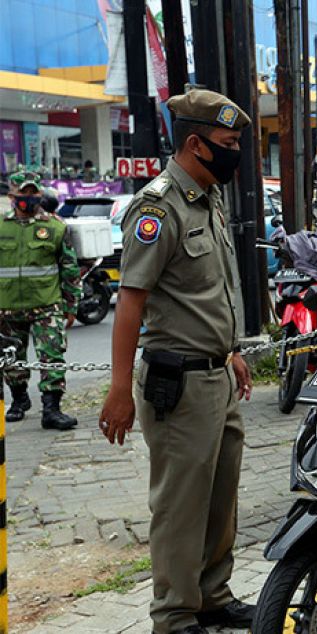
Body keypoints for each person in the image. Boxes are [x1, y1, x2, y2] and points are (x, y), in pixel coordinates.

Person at [98, 88, 255, 634]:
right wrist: (119, 389)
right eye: (229, 143)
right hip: (177, 383)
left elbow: (208, 291)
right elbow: (131, 300)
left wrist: (231, 350)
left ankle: (213, 596)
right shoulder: (157, 207)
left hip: (218, 376)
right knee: (180, 506)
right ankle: (173, 614)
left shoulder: (209, 195)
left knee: (220, 500)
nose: (236, 152)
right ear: (195, 143)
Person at [0, 171, 81, 430]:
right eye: (24, 193)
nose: (29, 198)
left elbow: (69, 269)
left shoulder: (56, 227)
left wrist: (71, 306)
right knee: (12, 358)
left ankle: (52, 409)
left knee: (52, 356)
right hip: (7, 307)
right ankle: (19, 400)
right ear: (12, 196)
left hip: (48, 305)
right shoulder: (2, 227)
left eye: (34, 193)